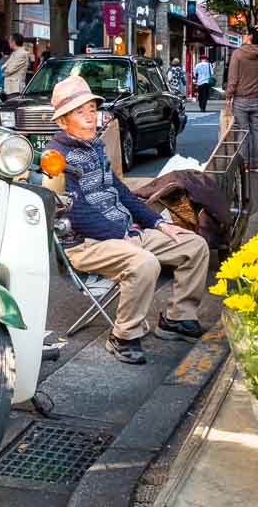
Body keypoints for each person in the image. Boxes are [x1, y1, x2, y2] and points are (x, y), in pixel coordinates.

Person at [46, 76, 210, 364]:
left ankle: (177, 318)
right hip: (87, 243)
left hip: (123, 232)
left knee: (193, 244)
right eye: (79, 113)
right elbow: (75, 212)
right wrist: (120, 233)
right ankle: (123, 336)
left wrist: (158, 223)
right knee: (144, 263)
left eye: (91, 111)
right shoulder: (57, 158)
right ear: (63, 121)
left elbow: (121, 192)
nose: (89, 119)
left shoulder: (94, 147)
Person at [226, 28, 258, 172]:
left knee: (243, 131)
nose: (244, 35)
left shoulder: (238, 54)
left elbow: (233, 79)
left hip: (240, 100)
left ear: (251, 37)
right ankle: (256, 165)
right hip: (256, 99)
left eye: (246, 34)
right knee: (256, 131)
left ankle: (244, 164)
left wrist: (228, 96)